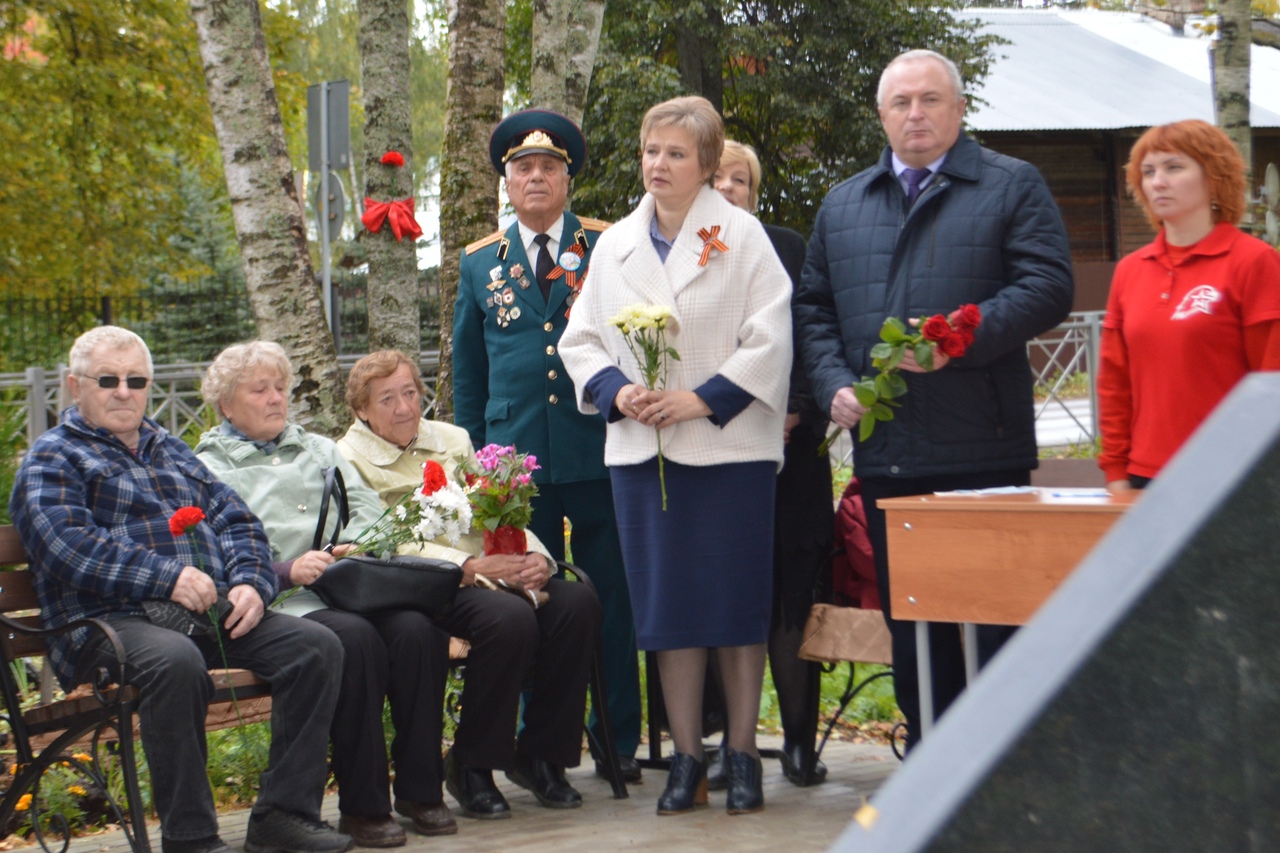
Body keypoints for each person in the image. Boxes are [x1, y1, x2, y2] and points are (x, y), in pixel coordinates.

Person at [795, 49, 1074, 750]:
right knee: (915, 627)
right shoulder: (843, 203)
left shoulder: (1012, 185)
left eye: (930, 100)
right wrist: (832, 385)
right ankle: (929, 769)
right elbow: (814, 310)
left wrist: (961, 339)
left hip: (982, 450)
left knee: (991, 626)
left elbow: (1047, 286)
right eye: (901, 103)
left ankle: (1001, 773)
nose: (915, 114)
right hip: (889, 459)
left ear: (958, 108)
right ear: (881, 115)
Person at [8, 327, 352, 853]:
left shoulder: (169, 449)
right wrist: (165, 576)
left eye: (137, 380)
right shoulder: (53, 458)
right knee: (175, 661)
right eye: (108, 380)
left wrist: (251, 584)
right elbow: (67, 545)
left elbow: (238, 521)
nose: (124, 391)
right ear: (75, 386)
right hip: (108, 625)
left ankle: (282, 816)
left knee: (315, 646)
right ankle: (190, 838)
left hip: (203, 615)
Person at [560, 96, 793, 816]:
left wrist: (702, 398)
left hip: (728, 450)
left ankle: (744, 751)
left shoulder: (743, 235)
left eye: (675, 154)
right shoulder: (614, 245)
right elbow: (581, 339)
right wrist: (618, 392)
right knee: (669, 608)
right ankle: (687, 755)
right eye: (649, 151)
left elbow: (771, 337)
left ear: (706, 162)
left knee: (733, 605)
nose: (657, 165)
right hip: (643, 450)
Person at [193, 342, 456, 847]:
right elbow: (214, 553)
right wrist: (286, 569)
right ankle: (364, 805)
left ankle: (423, 791)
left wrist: (355, 544)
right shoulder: (208, 466)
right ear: (226, 404)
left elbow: (364, 508)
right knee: (353, 641)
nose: (276, 399)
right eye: (260, 390)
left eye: (280, 388)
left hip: (352, 586)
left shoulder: (319, 448)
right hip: (283, 602)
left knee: (417, 631)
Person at [452, 109, 643, 783]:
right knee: (530, 603)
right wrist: (476, 464)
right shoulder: (480, 262)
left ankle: (618, 738)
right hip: (514, 465)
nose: (536, 177)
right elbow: (468, 372)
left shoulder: (608, 246)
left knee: (611, 598)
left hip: (598, 448)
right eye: (523, 168)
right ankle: (541, 748)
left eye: (549, 167)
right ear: (507, 182)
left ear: (568, 178)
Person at [335, 350, 602, 820]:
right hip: (422, 587)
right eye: (387, 399)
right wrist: (468, 565)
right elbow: (378, 539)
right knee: (509, 618)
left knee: (575, 601)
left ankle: (540, 755)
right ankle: (472, 764)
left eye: (411, 393)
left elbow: (497, 503)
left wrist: (535, 556)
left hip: (490, 568)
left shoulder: (452, 439)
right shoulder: (346, 457)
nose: (404, 408)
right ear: (361, 410)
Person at [708, 140, 834, 787]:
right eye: (719, 177)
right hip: (718, 456)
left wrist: (800, 407)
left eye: (742, 179)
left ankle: (799, 742)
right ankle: (738, 745)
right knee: (735, 602)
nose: (730, 187)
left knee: (791, 601)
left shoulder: (786, 246)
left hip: (790, 456)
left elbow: (814, 332)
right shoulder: (685, 254)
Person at [1099, 119, 1280, 493]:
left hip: (1233, 478)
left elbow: (1272, 381)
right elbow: (1114, 383)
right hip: (1144, 476)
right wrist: (1116, 472)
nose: (1157, 181)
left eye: (1174, 167)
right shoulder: (1130, 271)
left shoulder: (1254, 262)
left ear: (1214, 177)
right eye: (1148, 172)